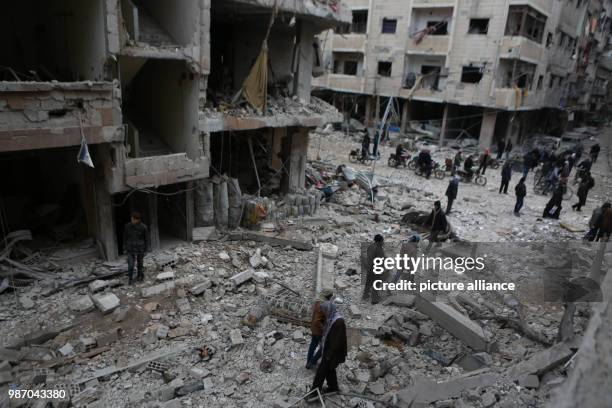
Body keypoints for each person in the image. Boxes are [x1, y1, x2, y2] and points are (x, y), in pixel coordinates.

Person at [309, 301, 347, 397]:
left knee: (321, 372)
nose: (324, 313)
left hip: (332, 352)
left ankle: (314, 393)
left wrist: (328, 355)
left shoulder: (338, 321)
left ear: (329, 310)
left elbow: (337, 342)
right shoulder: (331, 318)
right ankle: (333, 388)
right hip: (328, 350)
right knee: (330, 370)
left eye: (325, 311)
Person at [306, 289, 334, 370]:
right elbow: (317, 320)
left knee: (313, 345)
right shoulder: (323, 305)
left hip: (314, 328)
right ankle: (312, 362)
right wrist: (324, 329)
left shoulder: (318, 302)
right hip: (319, 330)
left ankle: (309, 362)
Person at [123, 212, 150, 285]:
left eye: (133, 219)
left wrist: (146, 250)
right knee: (131, 264)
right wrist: (124, 247)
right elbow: (125, 237)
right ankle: (130, 279)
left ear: (137, 220)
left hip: (140, 248)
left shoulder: (143, 227)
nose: (132, 220)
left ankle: (140, 275)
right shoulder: (127, 226)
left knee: (140, 263)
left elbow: (146, 239)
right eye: (131, 219)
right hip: (130, 248)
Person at [362, 234, 385, 304]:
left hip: (370, 267)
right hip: (376, 268)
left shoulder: (371, 246)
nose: (383, 242)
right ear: (378, 241)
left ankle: (365, 296)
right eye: (382, 241)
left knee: (368, 282)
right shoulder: (378, 248)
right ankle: (374, 300)